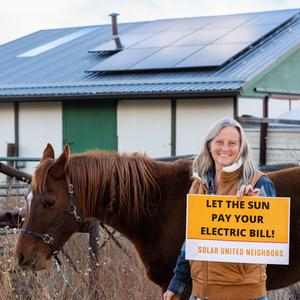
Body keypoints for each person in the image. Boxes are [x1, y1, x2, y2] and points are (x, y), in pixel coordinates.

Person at [163, 117, 276, 300]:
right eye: (219, 142)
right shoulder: (198, 186)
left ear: (241, 148)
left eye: (232, 143)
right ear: (209, 145)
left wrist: (254, 207)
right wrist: (177, 284)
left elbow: (269, 240)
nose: (225, 148)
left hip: (245, 295)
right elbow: (191, 241)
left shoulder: (258, 183)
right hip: (201, 294)